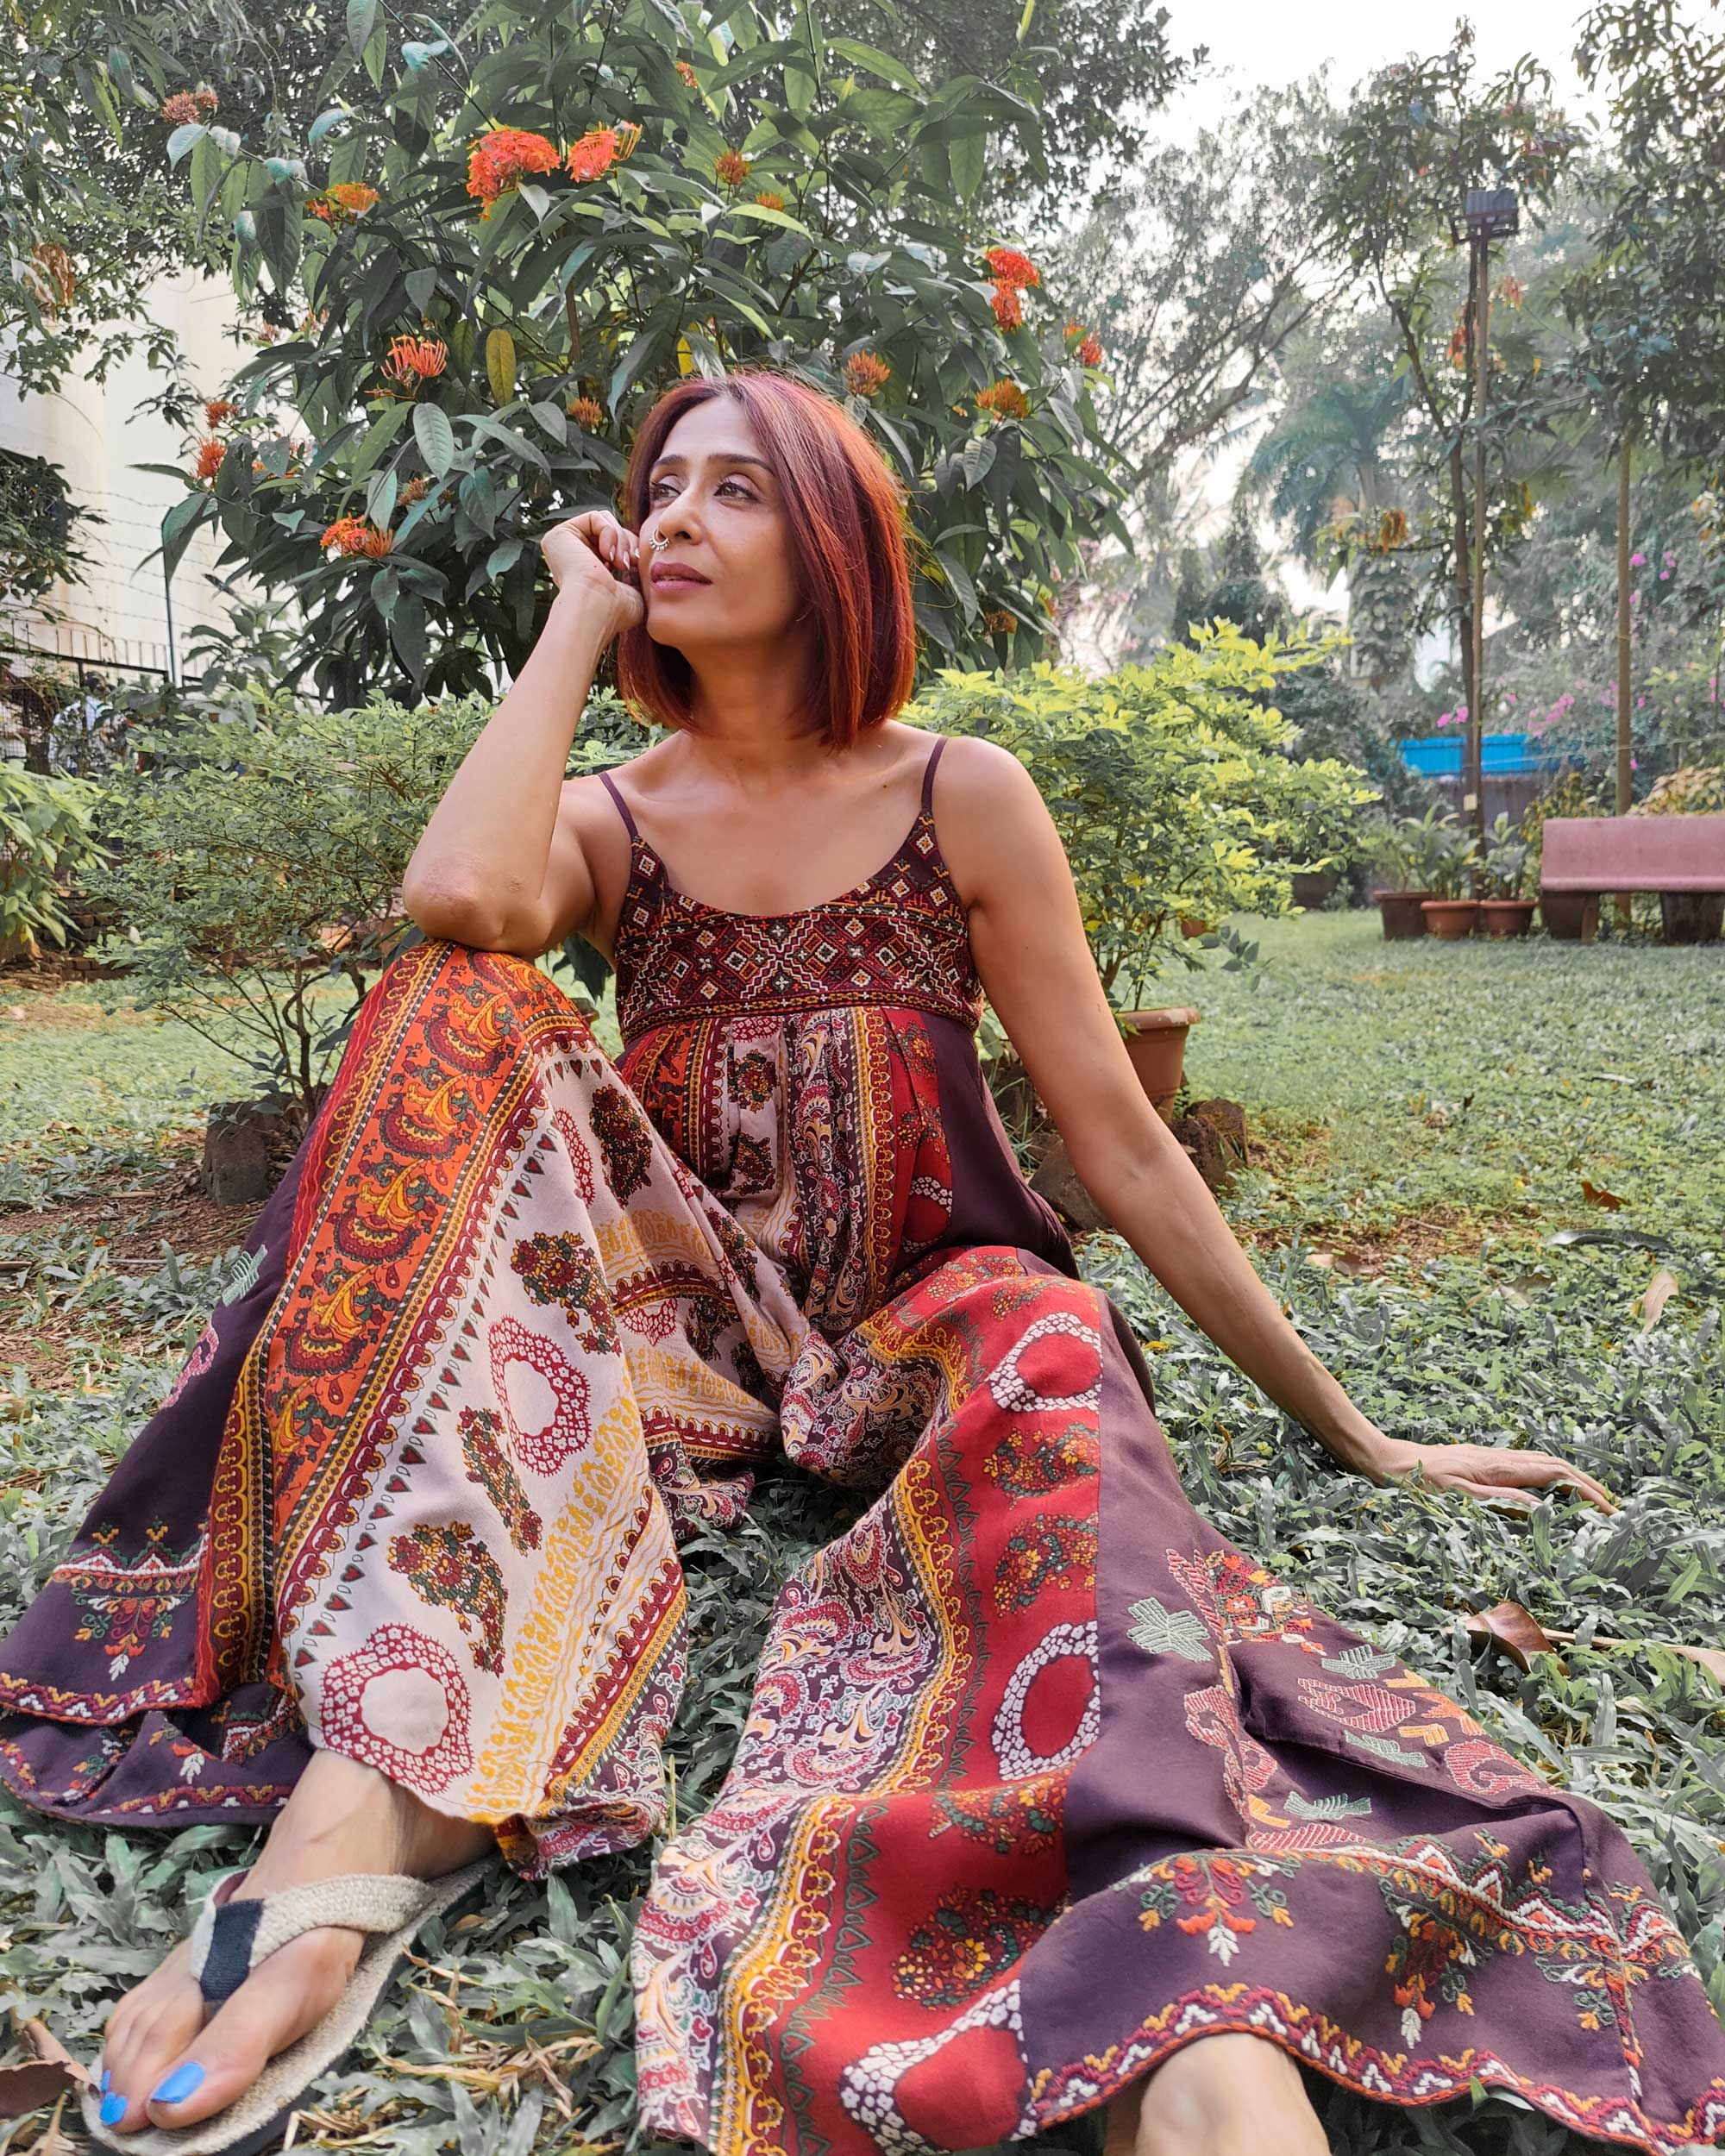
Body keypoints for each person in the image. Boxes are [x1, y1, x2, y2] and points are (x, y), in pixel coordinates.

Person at [3, 364, 1722, 2156]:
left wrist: (1358, 1430)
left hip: (937, 1302)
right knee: (451, 1000)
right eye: (659, 490)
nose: (674, 517)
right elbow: (461, 897)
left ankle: (1166, 1978)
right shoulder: (610, 819)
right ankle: (375, 1791)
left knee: (1054, 1350)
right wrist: (576, 618)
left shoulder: (959, 793)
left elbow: (1120, 1140)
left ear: (831, 543)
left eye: (734, 490)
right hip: (689, 1333)